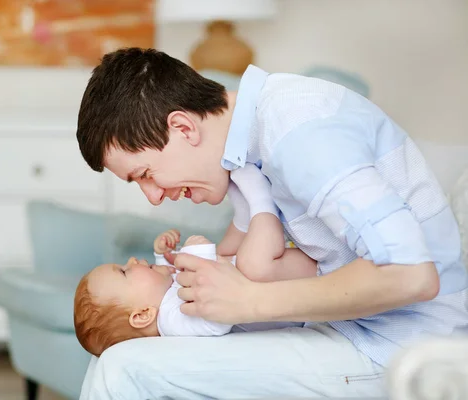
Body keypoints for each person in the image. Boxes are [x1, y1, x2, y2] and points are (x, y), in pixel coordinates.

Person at [75, 47, 468, 399]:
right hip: (353, 326)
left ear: (182, 128)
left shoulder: (299, 132)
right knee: (117, 351)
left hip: (401, 347)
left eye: (145, 174)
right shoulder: (255, 145)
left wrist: (249, 302)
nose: (153, 196)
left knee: (122, 368)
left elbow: (412, 275)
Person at [73, 164, 317, 357]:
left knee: (226, 251)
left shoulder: (163, 302)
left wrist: (165, 255)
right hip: (296, 284)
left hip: (279, 274)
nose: (133, 260)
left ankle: (245, 214)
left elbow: (175, 282)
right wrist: (197, 256)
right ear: (143, 315)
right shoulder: (172, 323)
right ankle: (261, 202)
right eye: (125, 272)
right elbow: (215, 320)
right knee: (248, 264)